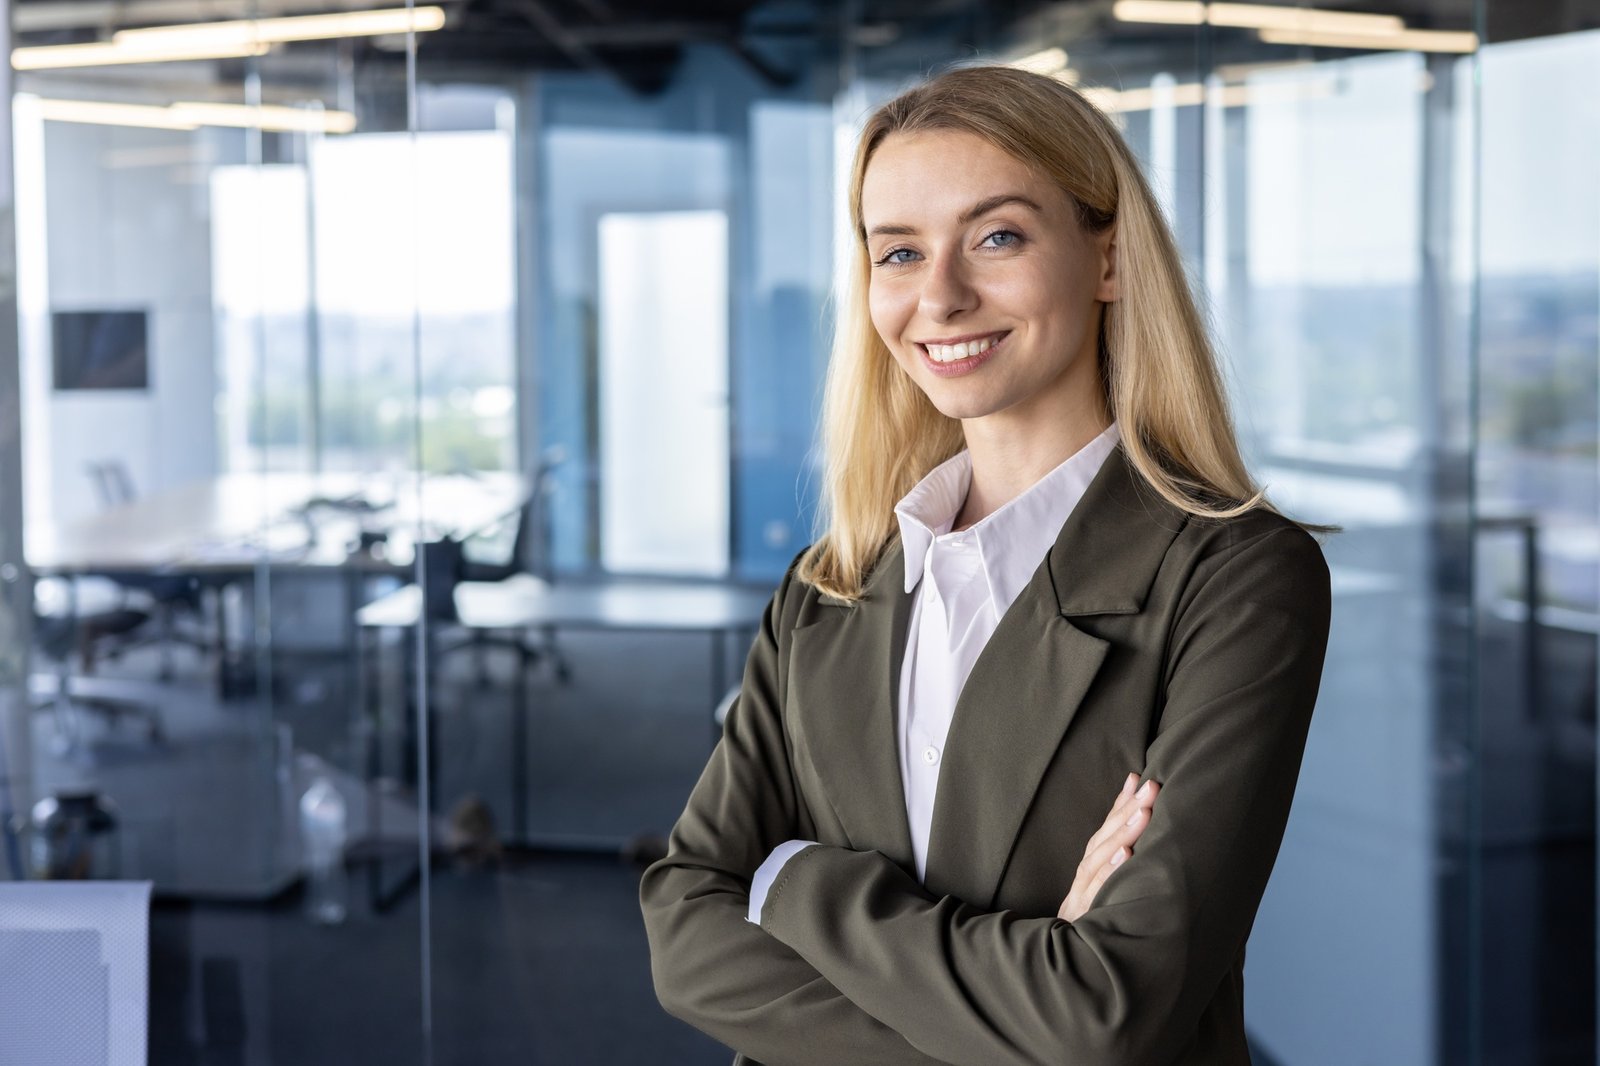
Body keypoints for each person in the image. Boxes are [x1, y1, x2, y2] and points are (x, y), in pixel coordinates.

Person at [640, 64, 1332, 1066]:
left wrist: (792, 880)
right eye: (900, 252)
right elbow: (683, 940)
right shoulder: (827, 585)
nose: (941, 296)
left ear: (1107, 258)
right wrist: (1026, 993)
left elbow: (1104, 1017)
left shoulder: (1235, 578)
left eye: (996, 237)